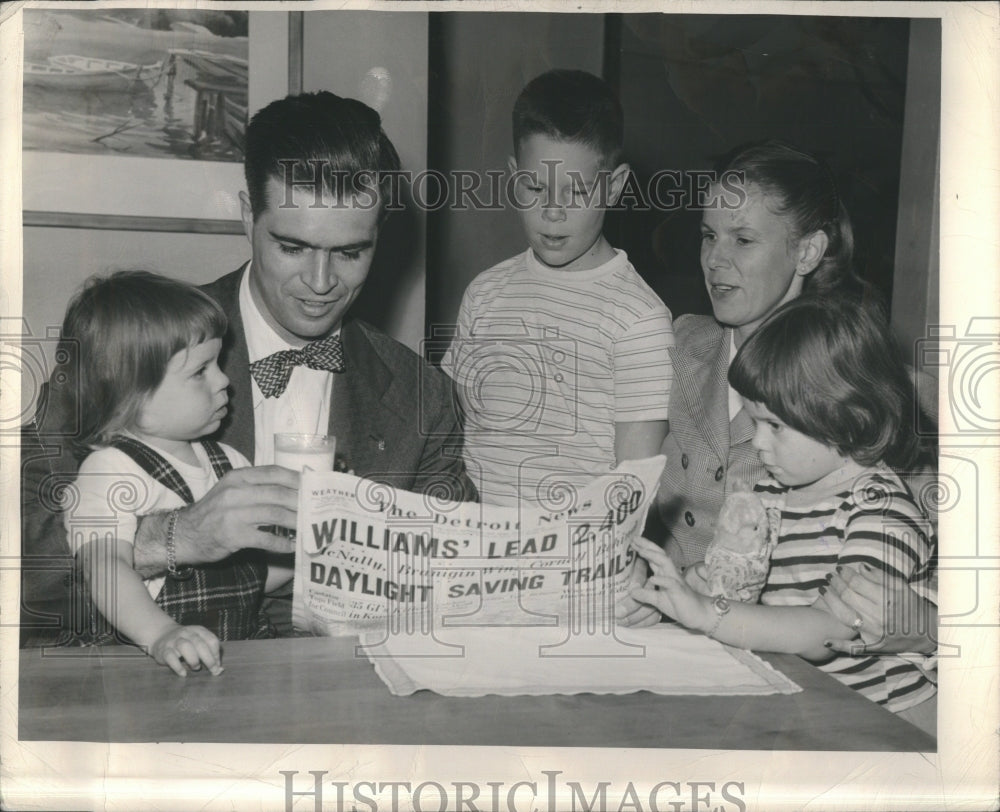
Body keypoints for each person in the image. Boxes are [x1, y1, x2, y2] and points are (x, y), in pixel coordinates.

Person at [21, 91, 474, 642]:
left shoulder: (423, 396)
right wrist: (176, 537)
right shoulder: (131, 346)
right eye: (292, 247)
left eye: (351, 253)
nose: (321, 282)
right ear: (246, 217)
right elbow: (22, 551)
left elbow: (458, 584)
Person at [621, 140, 937, 655]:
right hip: (670, 634)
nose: (715, 261)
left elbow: (926, 571)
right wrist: (638, 580)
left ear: (807, 251)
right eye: (708, 236)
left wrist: (927, 624)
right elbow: (629, 493)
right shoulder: (676, 344)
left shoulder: (871, 388)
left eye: (743, 239)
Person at [630, 296, 937, 734]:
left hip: (880, 720)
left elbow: (826, 634)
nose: (756, 443)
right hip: (802, 700)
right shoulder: (773, 491)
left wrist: (709, 612)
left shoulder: (881, 510)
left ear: (848, 418)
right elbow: (750, 591)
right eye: (755, 423)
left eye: (775, 426)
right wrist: (703, 581)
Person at [441, 69, 673, 506]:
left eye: (576, 192)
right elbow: (450, 435)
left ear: (616, 186)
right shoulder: (484, 293)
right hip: (470, 550)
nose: (552, 212)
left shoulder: (640, 320)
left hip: (573, 562)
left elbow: (634, 487)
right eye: (535, 187)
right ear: (513, 177)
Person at [60, 272, 288, 674]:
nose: (224, 381)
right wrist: (161, 633)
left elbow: (250, 577)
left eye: (218, 363)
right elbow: (106, 567)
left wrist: (310, 548)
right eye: (201, 371)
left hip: (237, 655)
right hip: (148, 662)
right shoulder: (108, 471)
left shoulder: (231, 463)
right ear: (134, 396)